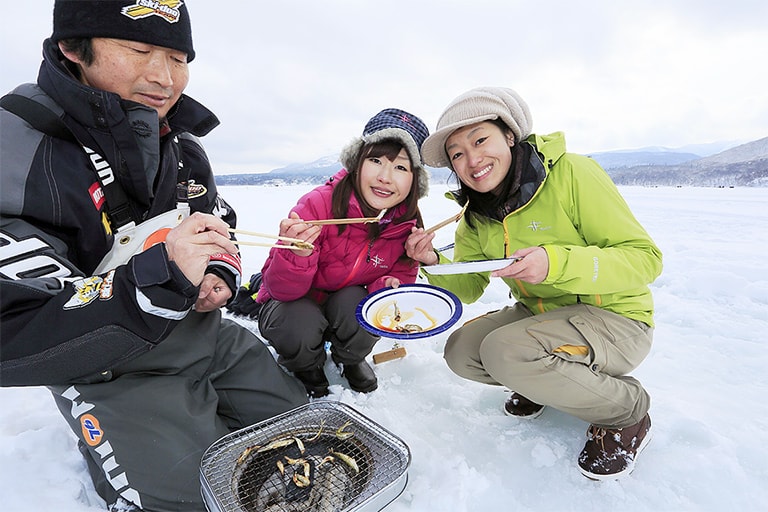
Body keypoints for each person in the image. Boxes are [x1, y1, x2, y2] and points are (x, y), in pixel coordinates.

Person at [0, 2, 308, 511]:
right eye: (140, 50)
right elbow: (13, 330)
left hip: (202, 335)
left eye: (177, 57)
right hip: (107, 365)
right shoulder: (17, 150)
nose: (164, 78)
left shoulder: (182, 145)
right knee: (203, 498)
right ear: (73, 48)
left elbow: (218, 224)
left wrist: (217, 272)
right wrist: (155, 281)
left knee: (306, 437)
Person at [405, 86, 663, 480]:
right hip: (543, 318)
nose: (472, 160)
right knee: (462, 351)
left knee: (506, 351)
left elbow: (645, 259)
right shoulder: (476, 214)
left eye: (480, 140)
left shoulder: (572, 173)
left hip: (617, 319)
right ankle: (544, 379)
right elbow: (471, 286)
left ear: (509, 135)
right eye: (457, 153)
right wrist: (433, 262)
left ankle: (627, 413)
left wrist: (555, 263)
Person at [230, 108, 430, 397]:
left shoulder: (405, 225)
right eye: (376, 160)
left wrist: (388, 286)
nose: (385, 177)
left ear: (415, 180)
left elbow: (400, 273)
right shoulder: (317, 206)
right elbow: (280, 289)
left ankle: (349, 359)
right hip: (294, 304)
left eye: (401, 167)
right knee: (297, 318)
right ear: (357, 162)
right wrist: (298, 256)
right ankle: (306, 366)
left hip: (343, 307)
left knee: (368, 306)